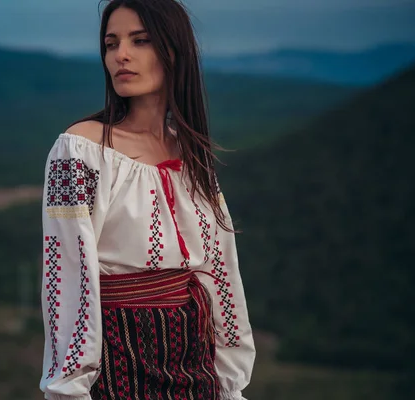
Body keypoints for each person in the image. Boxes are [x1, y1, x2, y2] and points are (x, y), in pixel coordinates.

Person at [39, 0, 255, 398]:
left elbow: (221, 271)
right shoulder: (80, 150)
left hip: (196, 362)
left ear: (174, 51)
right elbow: (68, 277)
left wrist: (231, 383)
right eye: (110, 43)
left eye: (140, 41)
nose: (120, 55)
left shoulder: (191, 155)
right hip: (122, 359)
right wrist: (69, 390)